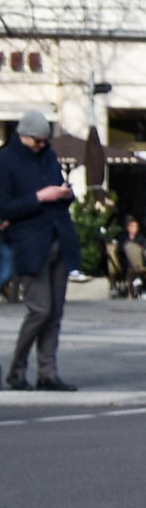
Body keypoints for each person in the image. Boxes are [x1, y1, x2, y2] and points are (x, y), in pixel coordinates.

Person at [0, 110, 78, 390]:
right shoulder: (6, 161)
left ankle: (48, 372)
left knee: (55, 312)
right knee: (40, 309)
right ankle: (17, 369)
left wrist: (66, 194)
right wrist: (39, 197)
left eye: (46, 141)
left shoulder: (48, 156)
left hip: (59, 236)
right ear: (23, 136)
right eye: (38, 141)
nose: (43, 145)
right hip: (29, 243)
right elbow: (5, 207)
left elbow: (60, 192)